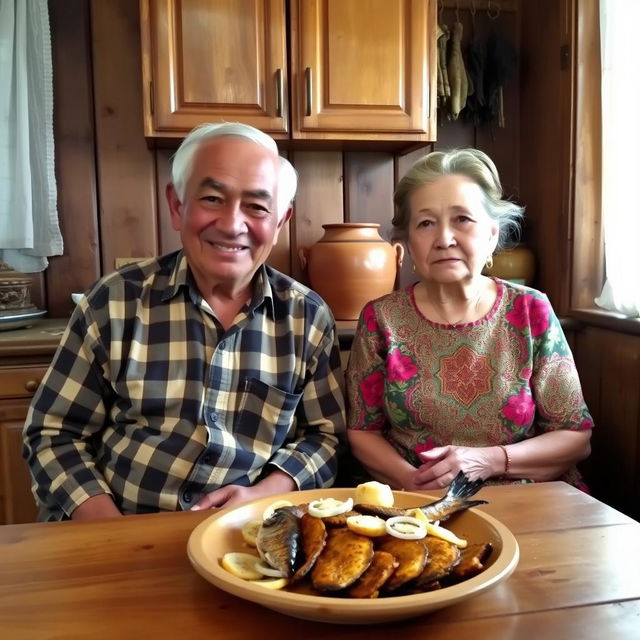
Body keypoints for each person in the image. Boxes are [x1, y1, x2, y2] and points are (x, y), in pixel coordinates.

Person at [23, 122, 346, 521]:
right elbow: (55, 434)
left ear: (280, 222)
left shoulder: (307, 317)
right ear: (177, 206)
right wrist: (109, 531)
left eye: (257, 207)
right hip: (120, 521)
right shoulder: (114, 301)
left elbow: (324, 438)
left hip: (247, 533)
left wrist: (264, 495)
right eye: (212, 198)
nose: (231, 224)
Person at [346, 148, 593, 492]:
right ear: (408, 244)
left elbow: (576, 436)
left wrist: (490, 460)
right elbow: (362, 431)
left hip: (524, 494)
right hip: (418, 498)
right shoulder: (381, 318)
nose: (444, 239)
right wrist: (411, 481)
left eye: (462, 219)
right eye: (426, 223)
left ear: (492, 234)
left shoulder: (529, 310)